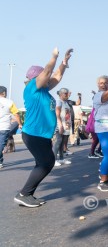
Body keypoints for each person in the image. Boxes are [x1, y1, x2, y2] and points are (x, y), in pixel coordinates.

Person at [15, 47, 72, 207]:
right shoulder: (32, 88)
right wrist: (53, 57)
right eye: (44, 77)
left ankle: (27, 194)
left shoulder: (44, 90)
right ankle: (24, 194)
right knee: (47, 162)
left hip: (42, 135)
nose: (48, 79)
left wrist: (64, 63)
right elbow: (48, 71)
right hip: (34, 134)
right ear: (36, 78)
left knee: (43, 163)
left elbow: (57, 76)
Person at [0, 86, 22, 169]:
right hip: (4, 127)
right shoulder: (9, 102)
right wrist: (19, 124)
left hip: (4, 127)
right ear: (4, 93)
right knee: (1, 144)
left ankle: (0, 161)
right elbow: (16, 114)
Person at [53, 88, 73, 167]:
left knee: (62, 143)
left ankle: (61, 158)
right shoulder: (59, 101)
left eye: (67, 93)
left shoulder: (65, 102)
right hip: (60, 125)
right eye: (65, 93)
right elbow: (57, 113)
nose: (67, 95)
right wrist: (60, 124)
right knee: (58, 141)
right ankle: (53, 160)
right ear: (61, 94)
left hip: (66, 125)